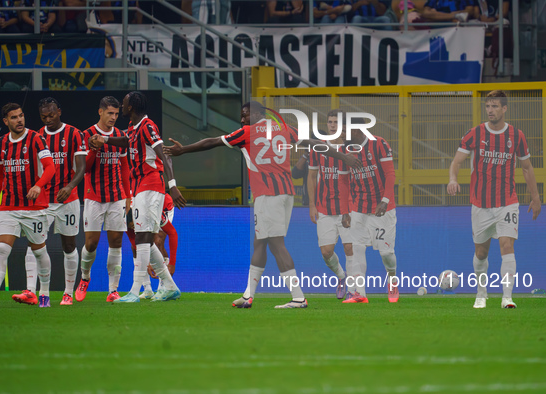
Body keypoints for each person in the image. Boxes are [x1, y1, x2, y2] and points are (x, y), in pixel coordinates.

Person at [165, 102, 312, 309]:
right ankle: (248, 295)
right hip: (286, 192)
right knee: (260, 243)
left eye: (246, 115)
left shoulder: (248, 132)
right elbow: (309, 140)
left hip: (268, 194)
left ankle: (298, 297)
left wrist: (183, 150)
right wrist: (339, 153)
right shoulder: (283, 128)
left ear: (259, 113)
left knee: (276, 245)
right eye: (241, 116)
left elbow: (213, 142)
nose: (242, 119)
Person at [88, 91, 186, 303]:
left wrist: (173, 186)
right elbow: (127, 141)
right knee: (145, 240)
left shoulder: (148, 126)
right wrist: (104, 139)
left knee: (143, 237)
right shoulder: (134, 129)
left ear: (131, 107)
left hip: (152, 186)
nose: (121, 108)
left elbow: (164, 154)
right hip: (140, 187)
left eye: (123, 104)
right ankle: (169, 285)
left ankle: (134, 292)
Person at [447, 90, 541, 309]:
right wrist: (453, 178)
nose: (490, 110)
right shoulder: (475, 133)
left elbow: (527, 168)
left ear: (504, 108)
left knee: (507, 245)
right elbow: (457, 161)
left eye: (495, 106)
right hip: (480, 204)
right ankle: (481, 293)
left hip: (507, 201)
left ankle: (507, 297)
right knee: (481, 252)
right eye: (487, 106)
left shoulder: (517, 136)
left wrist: (535, 198)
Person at [0, 103, 55, 308]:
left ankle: (44, 293)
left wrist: (38, 186)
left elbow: (50, 168)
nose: (19, 120)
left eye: (21, 116)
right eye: (14, 117)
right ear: (6, 121)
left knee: (39, 252)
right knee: (2, 248)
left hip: (34, 208)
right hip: (9, 206)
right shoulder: (1, 143)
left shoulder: (36, 139)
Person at [13, 98, 86, 306]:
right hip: (44, 200)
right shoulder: (37, 137)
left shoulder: (74, 134)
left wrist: (70, 187)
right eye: (44, 117)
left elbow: (81, 168)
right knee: (34, 244)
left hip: (68, 199)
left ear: (59, 112)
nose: (48, 120)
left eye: (51, 115)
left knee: (69, 245)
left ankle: (68, 292)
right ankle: (30, 290)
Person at [74, 96, 131, 303]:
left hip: (116, 197)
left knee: (116, 241)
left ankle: (113, 290)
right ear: (100, 112)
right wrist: (93, 148)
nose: (113, 117)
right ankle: (85, 278)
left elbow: (124, 167)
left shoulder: (120, 136)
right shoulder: (86, 135)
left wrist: (128, 195)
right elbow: (84, 169)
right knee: (91, 243)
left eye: (116, 114)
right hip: (94, 197)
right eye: (110, 113)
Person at [341, 117, 398, 303]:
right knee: (357, 248)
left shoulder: (379, 144)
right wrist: (345, 210)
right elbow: (342, 181)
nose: (342, 134)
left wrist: (385, 199)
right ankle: (360, 293)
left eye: (345, 131)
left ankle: (392, 279)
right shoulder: (344, 151)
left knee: (386, 254)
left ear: (356, 131)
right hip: (358, 207)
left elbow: (390, 173)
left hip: (382, 208)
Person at [307, 110, 351, 299]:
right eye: (330, 121)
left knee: (350, 249)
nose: (332, 125)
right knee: (326, 252)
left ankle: (355, 290)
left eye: (336, 122)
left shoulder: (351, 150)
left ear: (343, 127)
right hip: (324, 206)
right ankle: (342, 277)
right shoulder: (318, 148)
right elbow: (311, 176)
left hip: (347, 209)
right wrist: (311, 205)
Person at [139, 192, 179, 298]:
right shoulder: (133, 209)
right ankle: (147, 289)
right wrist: (147, 262)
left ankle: (163, 287)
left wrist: (172, 263)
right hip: (144, 203)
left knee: (158, 241)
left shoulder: (159, 204)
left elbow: (172, 233)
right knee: (137, 245)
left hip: (163, 205)